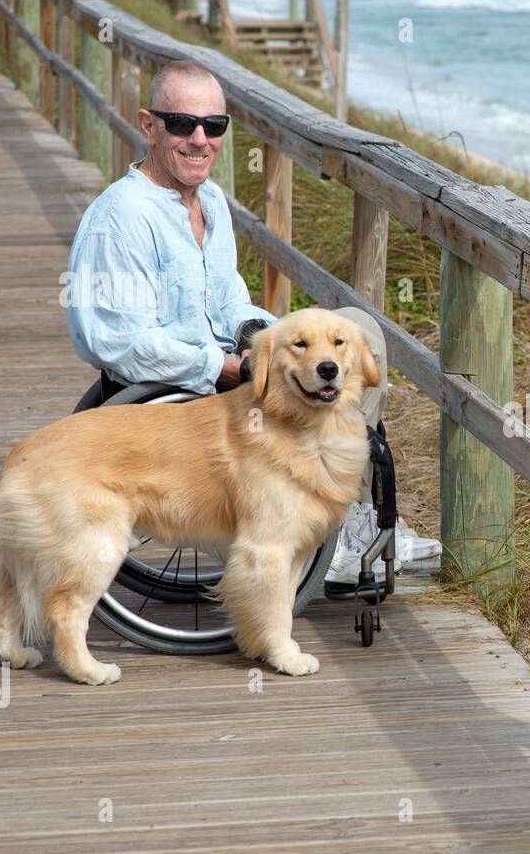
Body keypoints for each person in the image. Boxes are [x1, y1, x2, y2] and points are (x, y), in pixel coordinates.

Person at [64, 58, 392, 589]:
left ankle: (346, 515)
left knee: (355, 331)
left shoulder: (210, 200)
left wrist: (270, 338)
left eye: (213, 126)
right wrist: (223, 366)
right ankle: (330, 531)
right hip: (178, 400)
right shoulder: (120, 218)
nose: (199, 139)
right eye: (181, 124)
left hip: (230, 372)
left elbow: (228, 299)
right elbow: (116, 341)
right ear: (148, 125)